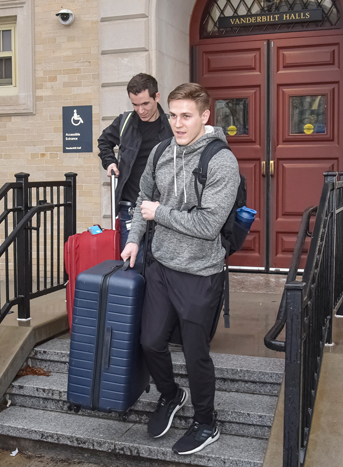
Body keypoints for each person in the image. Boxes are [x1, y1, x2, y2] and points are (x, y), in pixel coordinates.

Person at [121, 83, 240, 455]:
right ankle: (171, 395)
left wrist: (161, 214)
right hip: (161, 265)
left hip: (201, 273)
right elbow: (143, 199)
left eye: (186, 115)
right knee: (150, 341)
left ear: (205, 116)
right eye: (172, 115)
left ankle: (206, 422)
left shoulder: (221, 161)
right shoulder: (160, 152)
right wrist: (135, 238)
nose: (177, 123)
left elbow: (208, 225)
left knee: (195, 353)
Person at [97, 73, 173, 259]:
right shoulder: (125, 122)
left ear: (157, 97)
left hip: (163, 209)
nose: (140, 110)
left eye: (145, 104)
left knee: (160, 267)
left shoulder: (173, 125)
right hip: (130, 207)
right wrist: (110, 162)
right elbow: (104, 141)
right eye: (135, 104)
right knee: (132, 265)